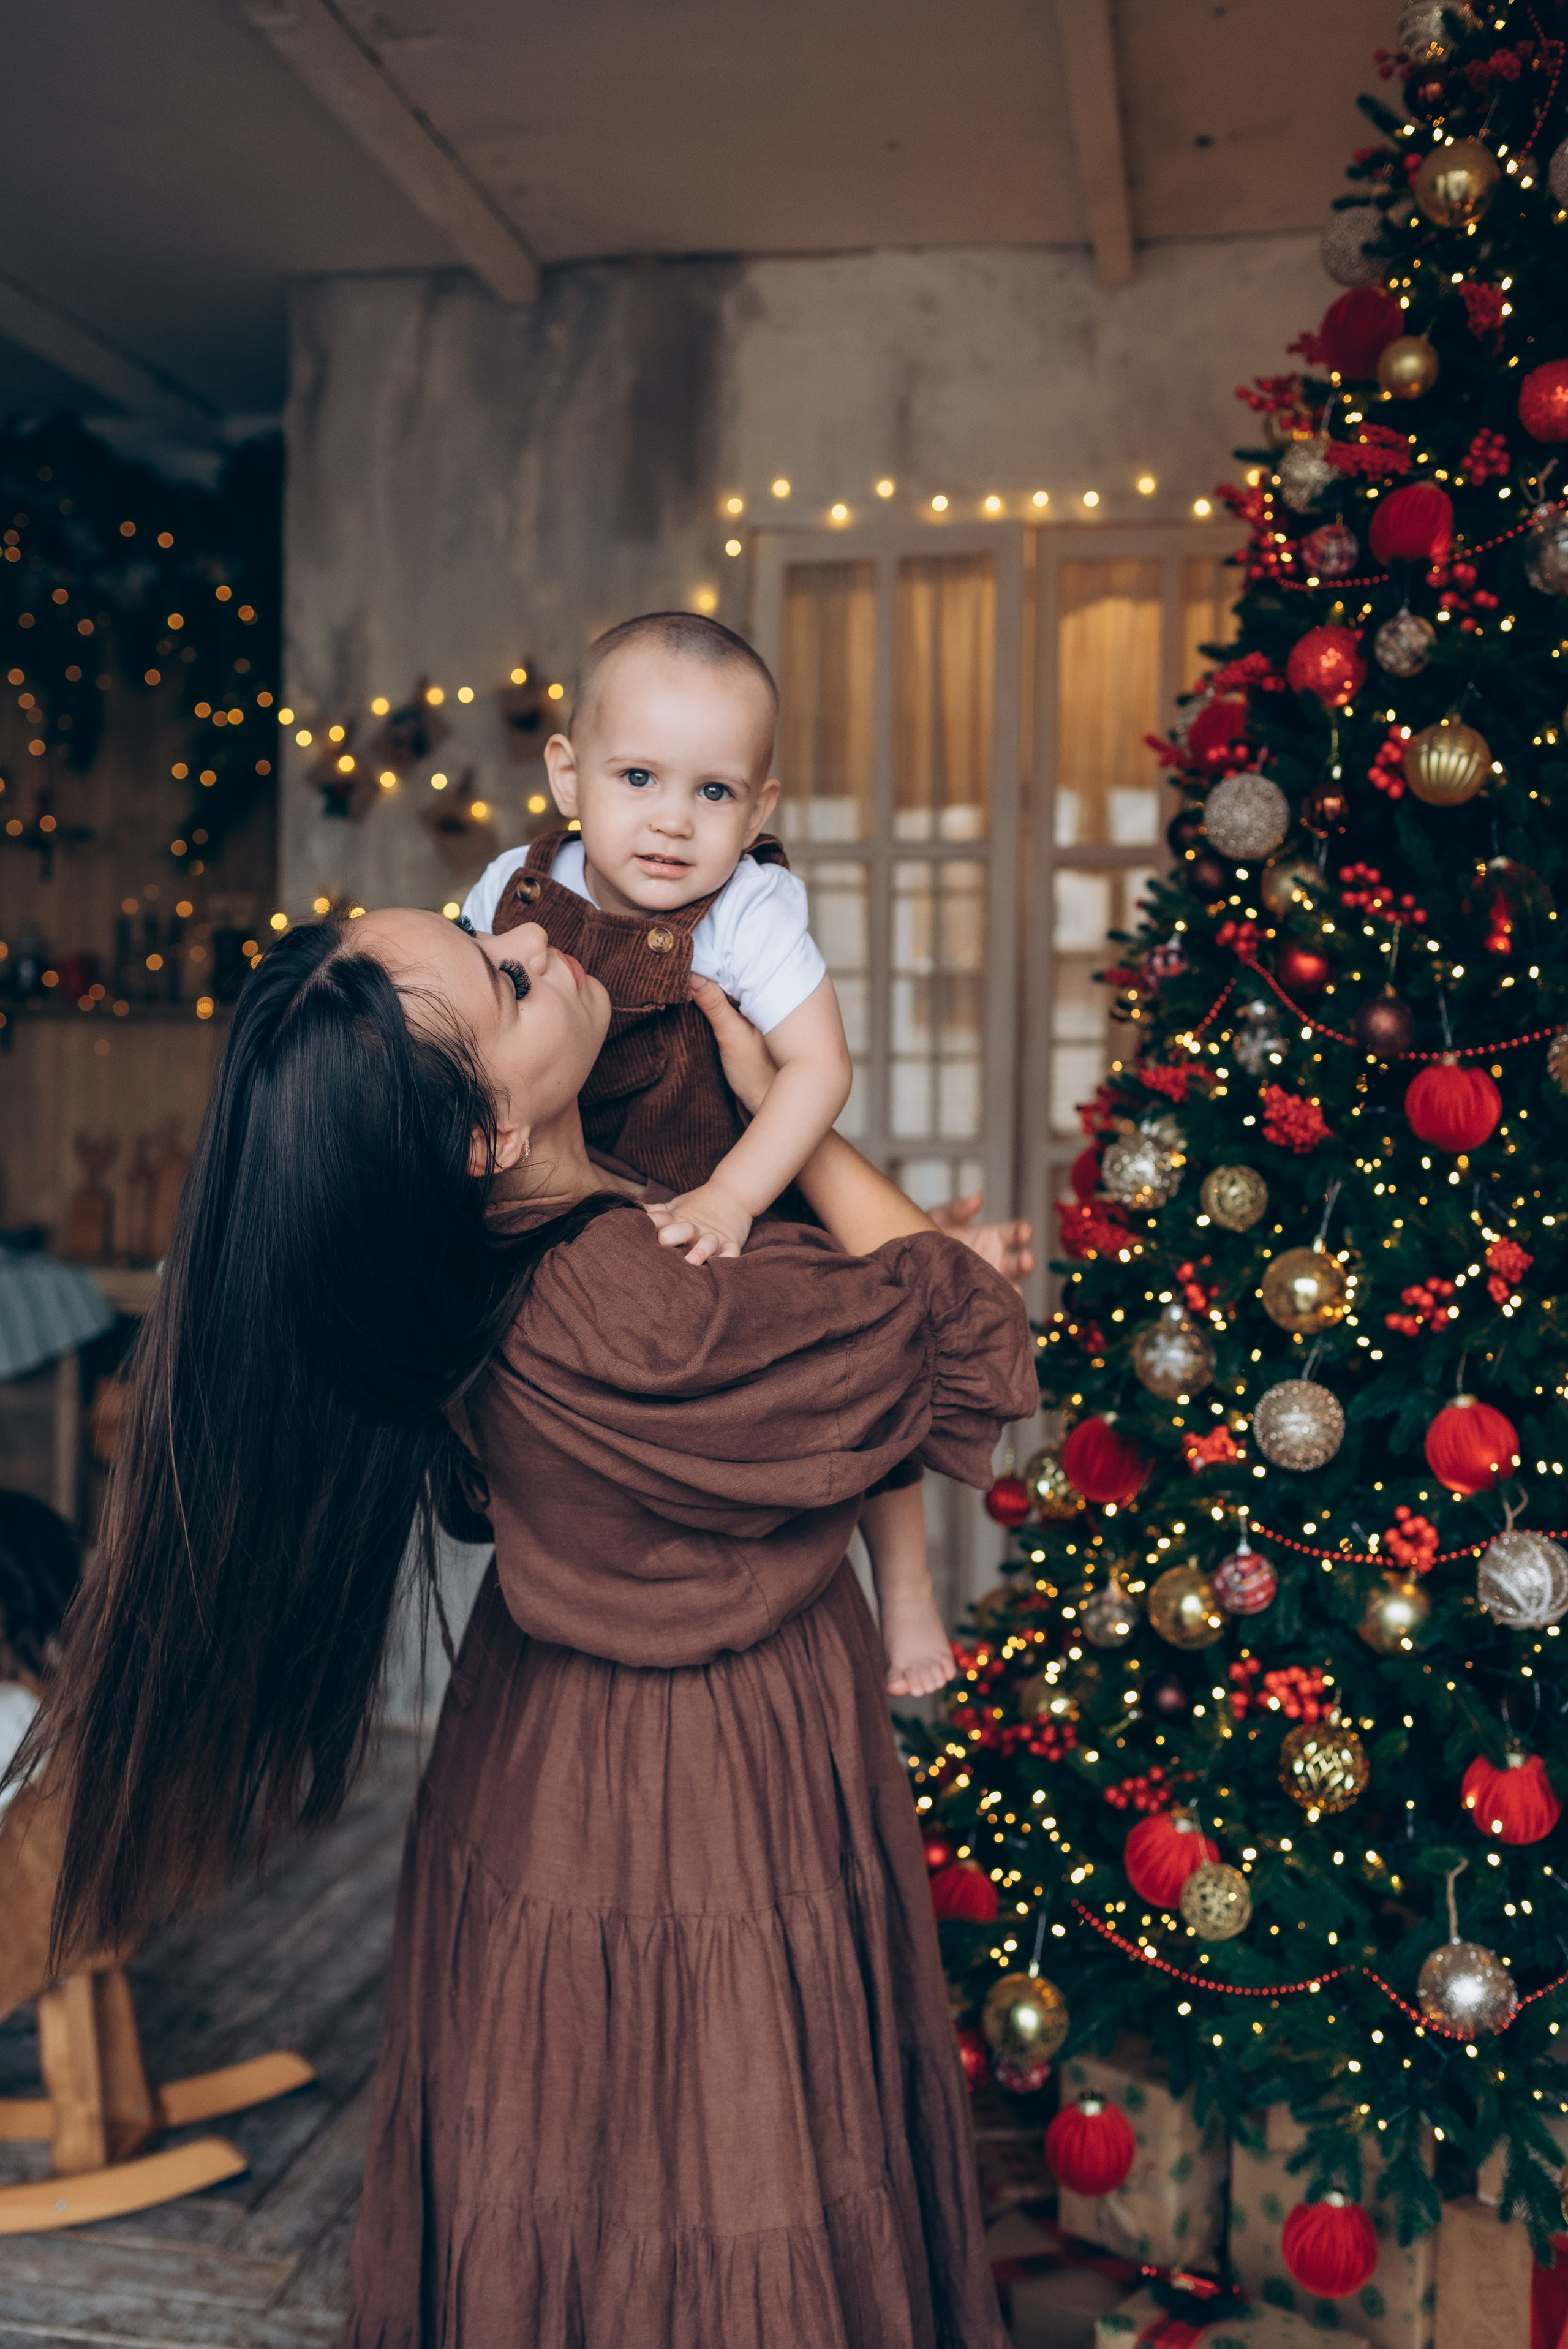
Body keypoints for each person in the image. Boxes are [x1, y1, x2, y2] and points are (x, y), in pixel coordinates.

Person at [31, 903, 1033, 2348]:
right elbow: (966, 1323)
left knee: (578, 2141)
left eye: (483, 932)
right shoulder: (631, 1300)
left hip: (540, 1756)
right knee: (719, 2153)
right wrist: (792, 1111)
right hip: (706, 1773)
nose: (531, 935)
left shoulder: (506, 1258)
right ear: (484, 1138)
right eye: (505, 983)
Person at [466, 609, 1029, 1700]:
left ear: (760, 809)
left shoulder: (748, 911)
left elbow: (819, 1070)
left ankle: (905, 1582)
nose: (673, 822)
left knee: (863, 1365)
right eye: (639, 777)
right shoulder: (513, 893)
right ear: (569, 776)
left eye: (715, 792)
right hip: (579, 1196)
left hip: (735, 1183)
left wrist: (730, 1197)